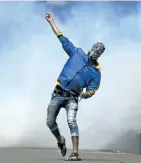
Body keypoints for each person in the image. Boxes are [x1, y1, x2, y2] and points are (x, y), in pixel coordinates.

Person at [45, 12, 105, 161]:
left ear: (100, 55)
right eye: (95, 48)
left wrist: (85, 95)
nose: (95, 52)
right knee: (50, 121)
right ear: (91, 48)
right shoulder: (77, 53)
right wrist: (51, 22)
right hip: (58, 93)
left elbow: (93, 89)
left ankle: (76, 152)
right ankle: (60, 140)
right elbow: (62, 39)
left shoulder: (96, 73)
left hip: (72, 97)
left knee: (72, 121)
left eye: (99, 51)